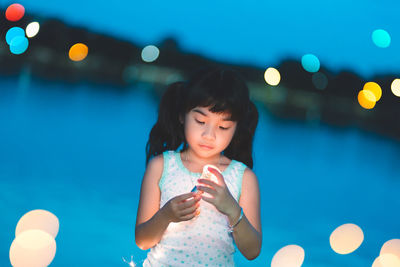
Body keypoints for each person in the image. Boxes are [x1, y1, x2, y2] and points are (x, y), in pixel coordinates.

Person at [135, 67, 262, 266]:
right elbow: (142, 240)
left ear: (236, 129)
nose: (209, 135)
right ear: (182, 116)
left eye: (223, 127)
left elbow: (253, 251)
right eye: (200, 121)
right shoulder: (161, 166)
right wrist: (166, 214)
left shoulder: (243, 177)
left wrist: (232, 209)